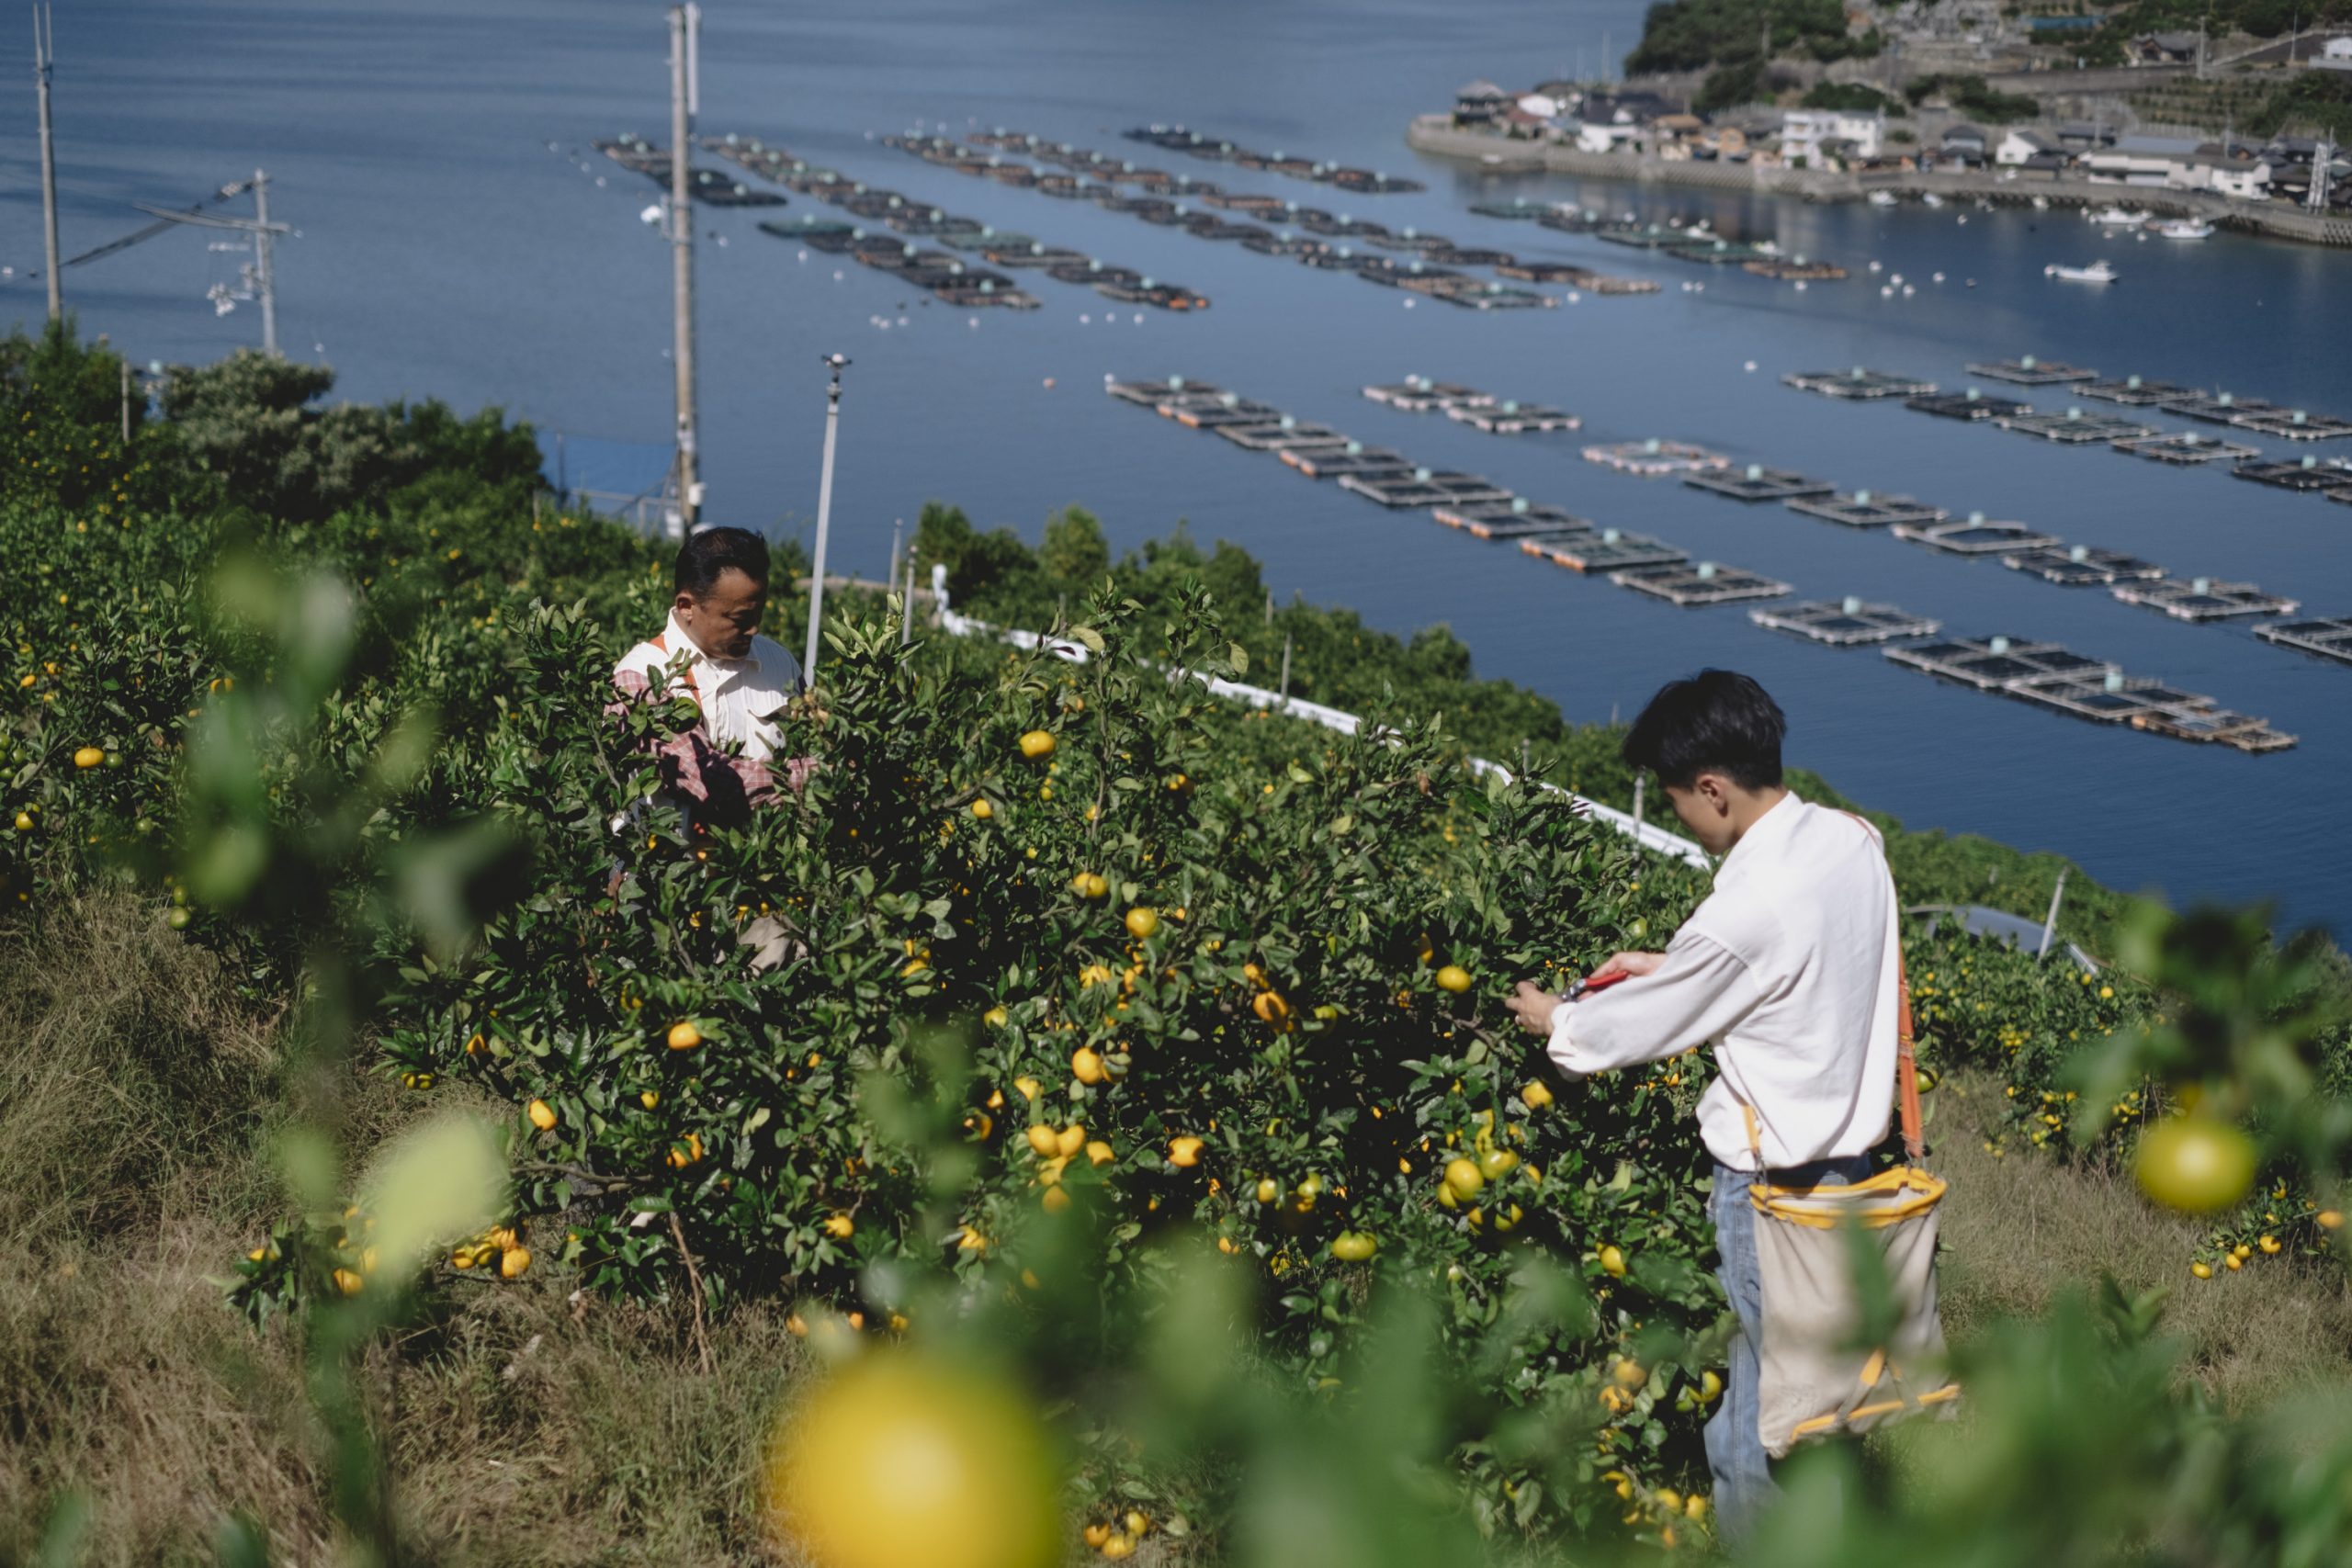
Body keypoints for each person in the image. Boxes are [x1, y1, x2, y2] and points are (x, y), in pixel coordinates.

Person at [1504, 670, 1903, 1540]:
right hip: (1852, 1176)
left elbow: (1618, 1035)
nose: (1682, 815)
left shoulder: (1749, 906)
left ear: (1713, 789)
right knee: (1796, 1404)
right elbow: (1798, 971)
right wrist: (1674, 966)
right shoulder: (1849, 840)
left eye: (1680, 797)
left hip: (1770, 1197)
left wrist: (1554, 1018)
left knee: (1769, 1424)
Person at [612, 525, 799, 766]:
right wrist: (811, 775)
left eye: (759, 614)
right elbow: (703, 779)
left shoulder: (780, 663)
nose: (754, 629)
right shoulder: (638, 679)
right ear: (686, 606)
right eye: (740, 619)